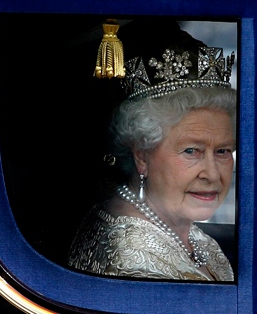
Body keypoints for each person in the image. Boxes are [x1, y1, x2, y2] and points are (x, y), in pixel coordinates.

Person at [68, 21, 236, 282]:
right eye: (192, 151)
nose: (212, 174)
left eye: (223, 151)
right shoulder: (136, 266)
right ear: (141, 155)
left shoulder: (174, 224)